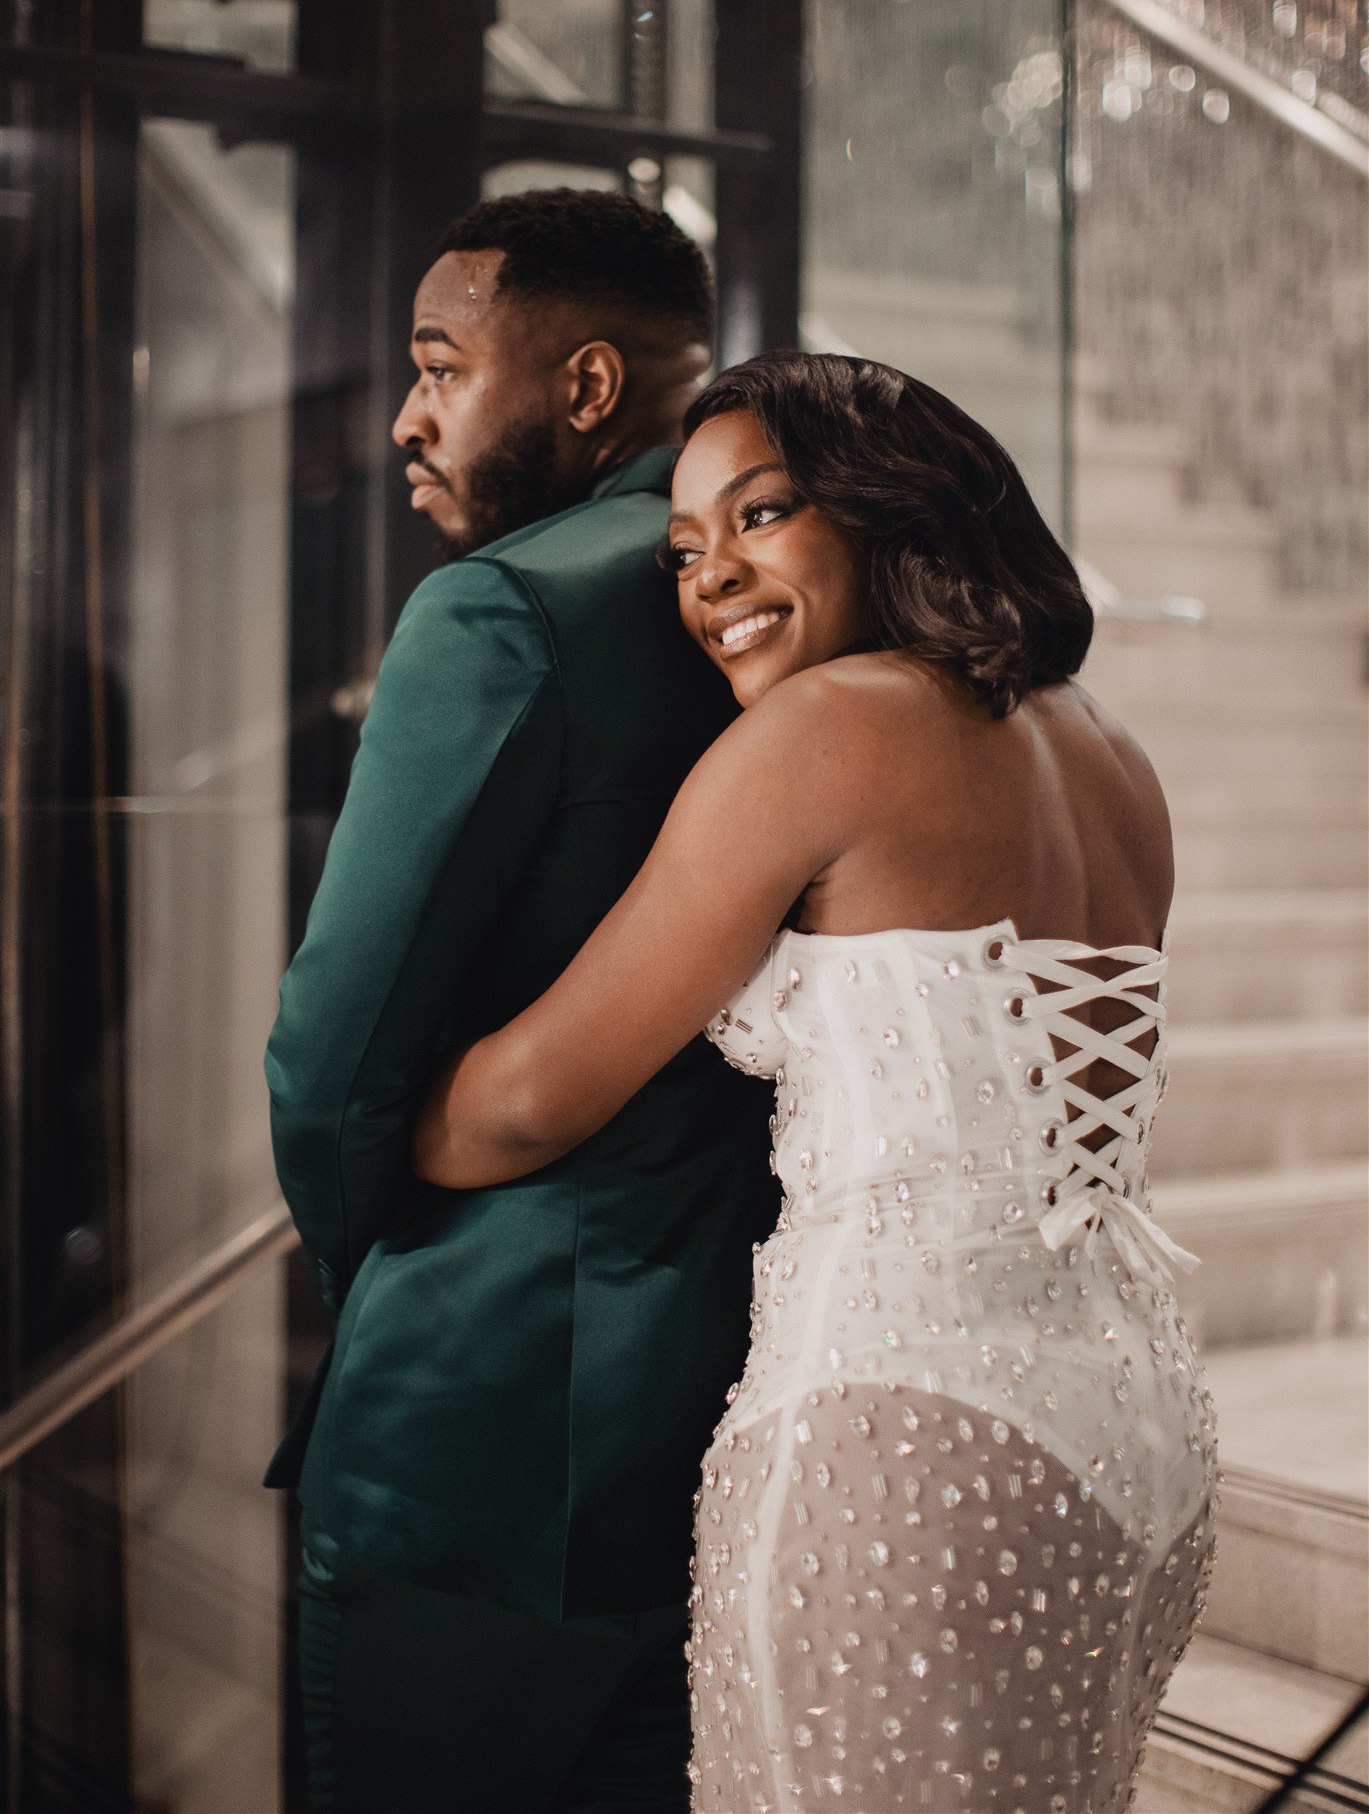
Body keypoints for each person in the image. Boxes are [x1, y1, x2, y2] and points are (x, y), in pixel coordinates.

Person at [414, 351, 1220, 1812]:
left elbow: (524, 1103)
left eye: (760, 514)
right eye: (681, 547)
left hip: (900, 1434)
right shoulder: (1108, 753)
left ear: (889, 512)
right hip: (1137, 1434)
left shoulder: (827, 728)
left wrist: (365, 1110)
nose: (707, 574)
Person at [266, 189, 779, 1813]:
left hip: (478, 1425)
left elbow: (332, 1061)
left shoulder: (502, 611)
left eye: (439, 365)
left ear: (583, 388)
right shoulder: (829, 590)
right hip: (747, 1393)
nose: (409, 416)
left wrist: (386, 1254)